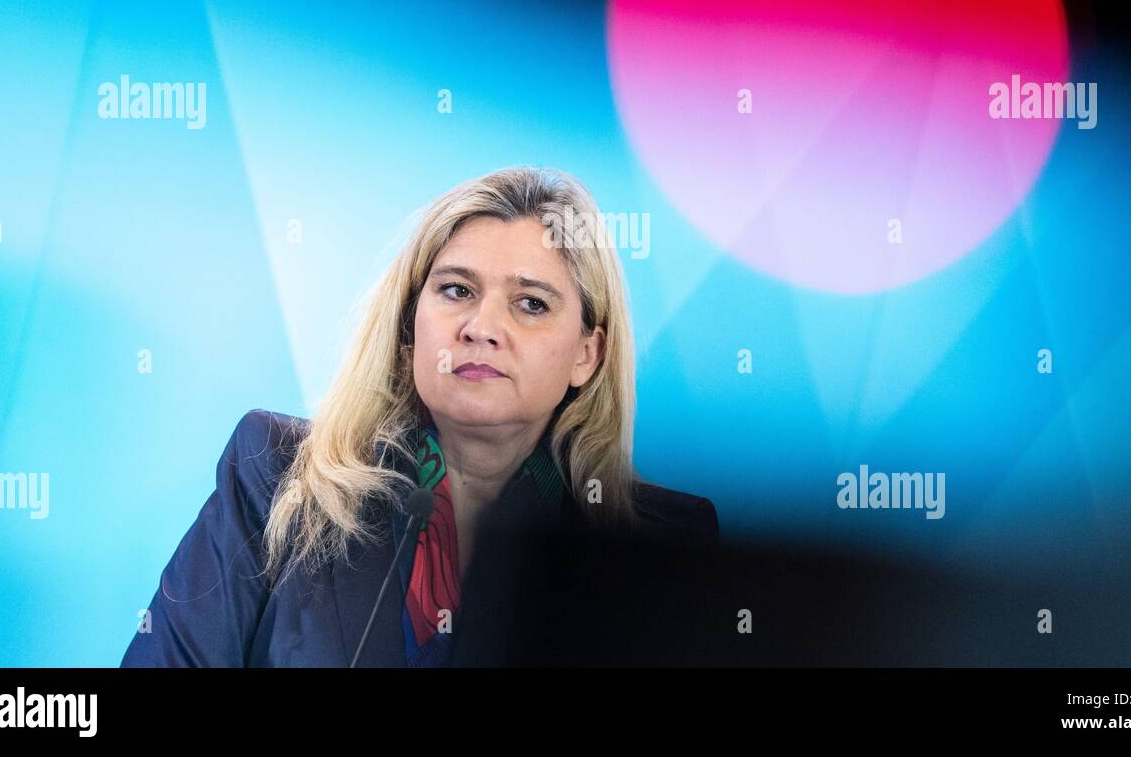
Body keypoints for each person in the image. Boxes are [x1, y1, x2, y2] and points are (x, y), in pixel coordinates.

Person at [121, 166, 719, 667]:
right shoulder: (277, 474)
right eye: (457, 290)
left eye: (531, 303)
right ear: (410, 326)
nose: (481, 329)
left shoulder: (664, 544)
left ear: (587, 354)